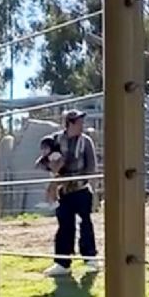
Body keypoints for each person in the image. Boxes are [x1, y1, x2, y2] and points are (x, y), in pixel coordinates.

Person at [39, 108, 99, 276]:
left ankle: (91, 258)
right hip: (63, 192)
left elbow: (92, 167)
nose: (82, 125)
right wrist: (53, 166)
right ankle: (62, 263)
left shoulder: (86, 141)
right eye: (78, 122)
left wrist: (92, 190)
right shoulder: (55, 140)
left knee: (85, 224)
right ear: (70, 123)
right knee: (64, 226)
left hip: (81, 189)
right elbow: (43, 163)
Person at [34, 134, 65, 208]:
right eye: (42, 148)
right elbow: (39, 162)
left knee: (52, 188)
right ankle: (49, 202)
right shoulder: (47, 156)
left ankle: (54, 202)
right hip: (55, 176)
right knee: (49, 188)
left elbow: (56, 167)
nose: (43, 150)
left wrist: (49, 165)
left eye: (46, 148)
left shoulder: (55, 155)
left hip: (60, 175)